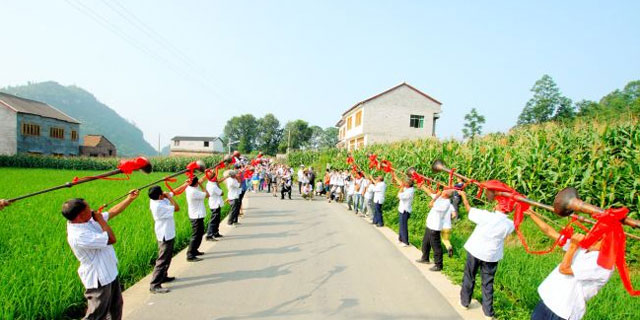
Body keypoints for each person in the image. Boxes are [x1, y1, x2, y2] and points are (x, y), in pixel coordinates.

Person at [63, 190, 139, 320]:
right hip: (98, 278)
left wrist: (129, 199)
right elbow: (111, 239)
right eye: (88, 208)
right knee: (96, 314)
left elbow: (112, 212)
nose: (92, 210)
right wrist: (100, 220)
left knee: (116, 308)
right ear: (80, 215)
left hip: (110, 271)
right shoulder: (78, 235)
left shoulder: (87, 220)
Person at [526, 210, 612, 320]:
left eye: (598, 237)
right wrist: (531, 214)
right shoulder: (584, 248)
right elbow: (550, 232)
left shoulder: (604, 264)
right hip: (548, 300)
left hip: (564, 311)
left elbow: (564, 269)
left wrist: (572, 246)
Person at [457, 186, 515, 320]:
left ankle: (465, 302)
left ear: (498, 205)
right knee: (487, 282)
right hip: (492, 256)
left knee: (469, 276)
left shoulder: (485, 215)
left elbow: (469, 210)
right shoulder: (510, 224)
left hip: (475, 251)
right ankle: (488, 312)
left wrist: (464, 196)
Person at [148, 186, 180, 294]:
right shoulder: (158, 206)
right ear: (159, 196)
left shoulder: (155, 199)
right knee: (162, 259)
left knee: (167, 257)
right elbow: (176, 208)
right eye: (162, 193)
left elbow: (174, 192)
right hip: (165, 234)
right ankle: (155, 284)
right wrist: (170, 198)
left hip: (167, 232)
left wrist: (168, 195)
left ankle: (163, 276)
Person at [417, 189, 455, 272]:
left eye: (444, 192)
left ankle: (438, 265)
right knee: (425, 242)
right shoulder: (441, 198)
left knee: (436, 246)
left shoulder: (446, 203)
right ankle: (425, 258)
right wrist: (437, 196)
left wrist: (435, 198)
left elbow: (430, 204)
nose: (442, 192)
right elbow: (431, 194)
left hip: (435, 226)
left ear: (446, 195)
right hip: (430, 225)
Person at [185, 176, 209, 262]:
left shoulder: (189, 188)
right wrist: (201, 185)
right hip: (196, 215)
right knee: (196, 235)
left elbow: (199, 181)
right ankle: (190, 254)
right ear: (196, 183)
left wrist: (199, 182)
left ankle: (195, 250)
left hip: (197, 214)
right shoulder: (194, 192)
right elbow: (207, 195)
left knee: (200, 233)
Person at [397, 178, 415, 247]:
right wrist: (394, 176)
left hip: (405, 210)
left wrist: (401, 187)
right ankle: (400, 238)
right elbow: (400, 183)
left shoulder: (409, 192)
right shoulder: (408, 189)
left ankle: (405, 241)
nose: (403, 184)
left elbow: (399, 196)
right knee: (401, 225)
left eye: (405, 183)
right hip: (402, 209)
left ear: (408, 184)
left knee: (403, 226)